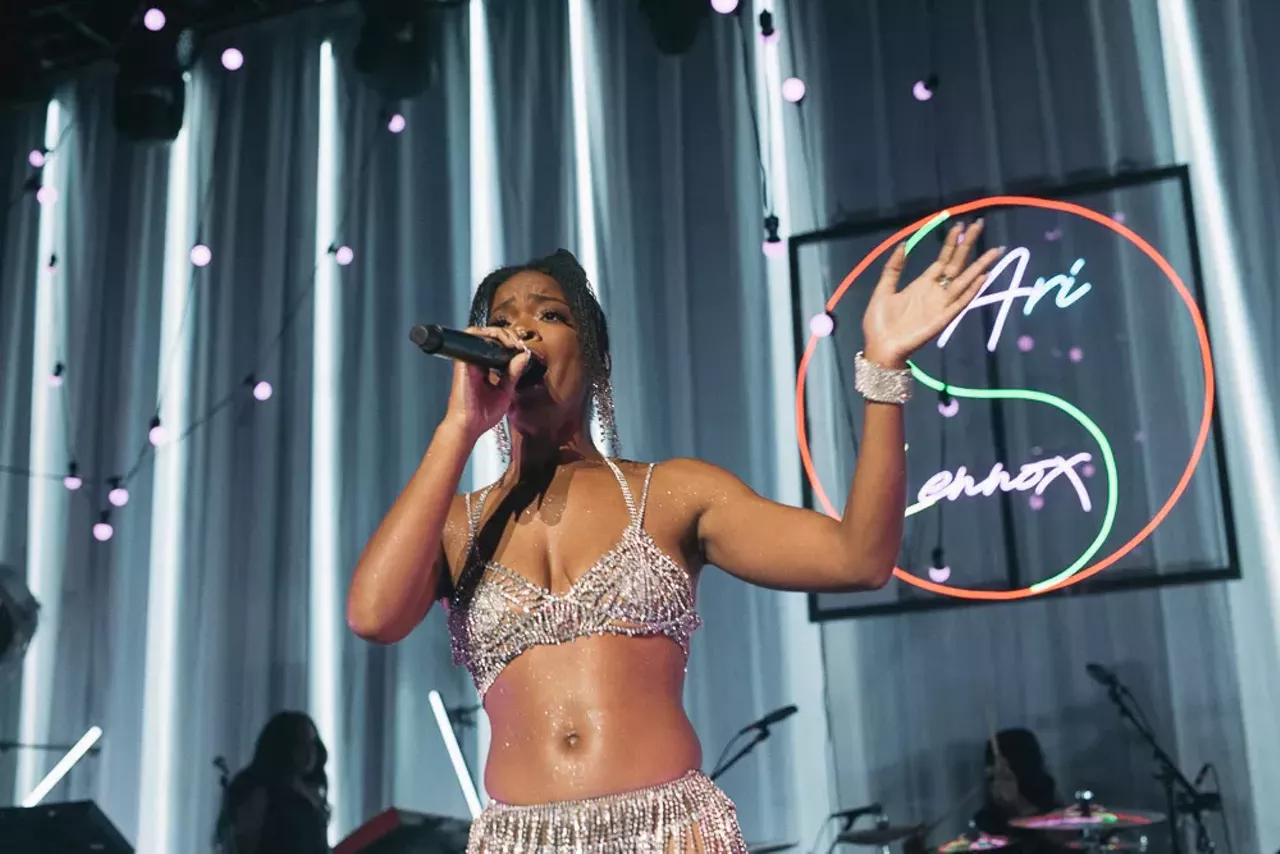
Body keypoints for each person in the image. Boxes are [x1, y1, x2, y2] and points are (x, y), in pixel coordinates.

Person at [347, 223, 1003, 851]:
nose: (520, 329)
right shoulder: (460, 526)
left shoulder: (672, 494)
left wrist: (884, 369)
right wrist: (457, 430)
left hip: (671, 834)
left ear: (596, 357)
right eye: (504, 317)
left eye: (548, 314)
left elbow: (860, 560)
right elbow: (373, 616)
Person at [214, 711, 331, 854]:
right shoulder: (260, 791)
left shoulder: (312, 792)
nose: (309, 752)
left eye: (312, 744)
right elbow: (244, 846)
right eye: (301, 744)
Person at [973, 728, 1061, 837]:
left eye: (1005, 776)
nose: (996, 784)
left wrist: (1018, 802)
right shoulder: (986, 823)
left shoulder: (1058, 820)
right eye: (992, 777)